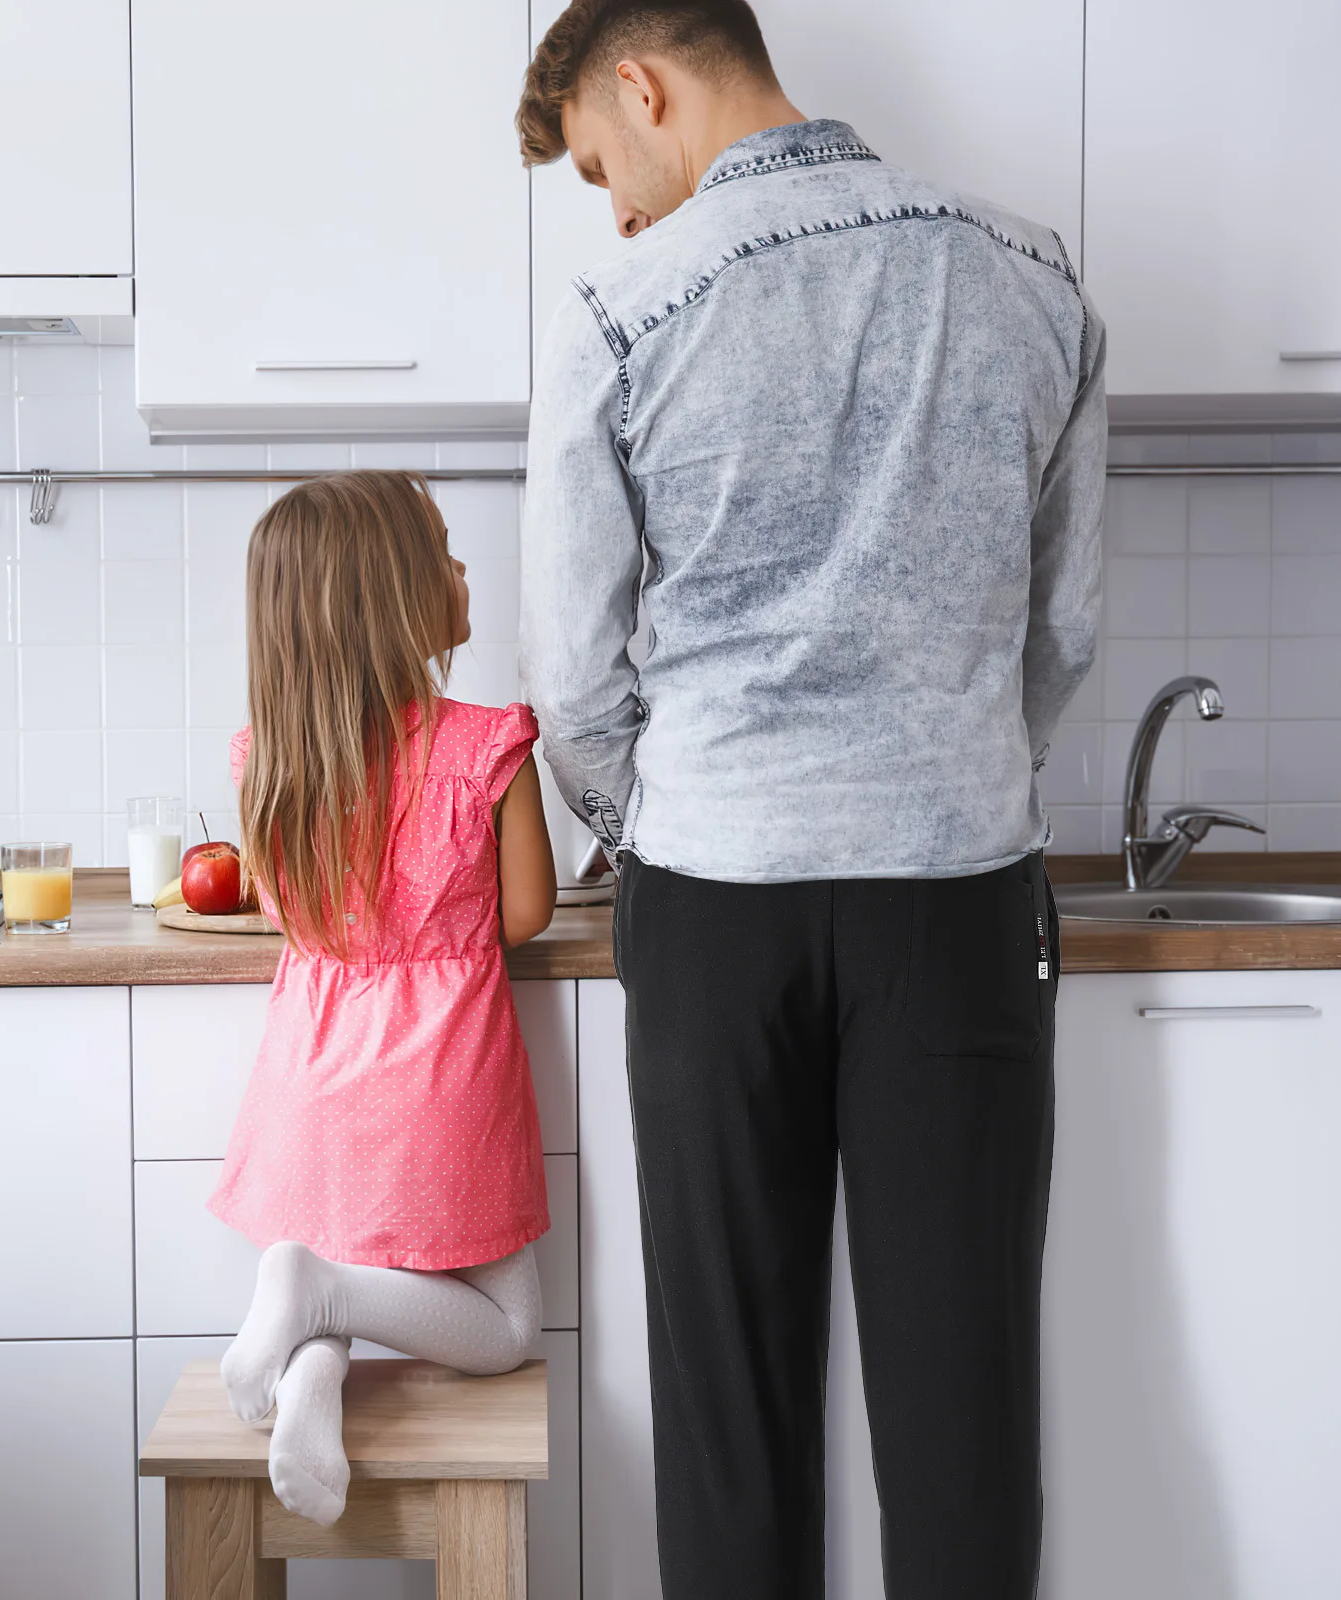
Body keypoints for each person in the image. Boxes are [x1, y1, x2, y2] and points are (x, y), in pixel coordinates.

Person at [517, 3, 1105, 1597]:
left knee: (733, 1417)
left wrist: (675, 816)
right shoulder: (1033, 273)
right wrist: (951, 769)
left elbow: (572, 677)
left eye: (600, 165)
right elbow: (1062, 635)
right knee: (965, 1414)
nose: (620, 207)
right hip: (959, 893)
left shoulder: (620, 303)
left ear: (641, 85)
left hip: (713, 906)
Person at [209, 470, 558, 1527]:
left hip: (310, 1087)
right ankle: (319, 1298)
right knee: (507, 1330)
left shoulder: (269, 762)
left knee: (342, 1258)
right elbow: (528, 913)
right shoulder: (490, 744)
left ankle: (314, 1372)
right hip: (439, 1081)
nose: (464, 570)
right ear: (392, 598)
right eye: (444, 554)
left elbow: (282, 908)